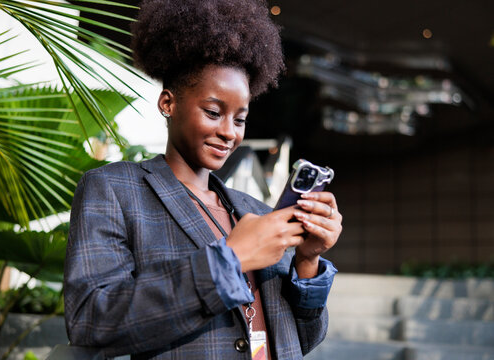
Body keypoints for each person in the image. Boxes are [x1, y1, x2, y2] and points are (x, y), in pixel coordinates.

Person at [64, 0, 342, 359]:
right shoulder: (115, 190)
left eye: (239, 119)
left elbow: (302, 338)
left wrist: (307, 261)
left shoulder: (254, 212)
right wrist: (230, 260)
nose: (228, 133)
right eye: (213, 112)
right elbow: (91, 321)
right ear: (169, 102)